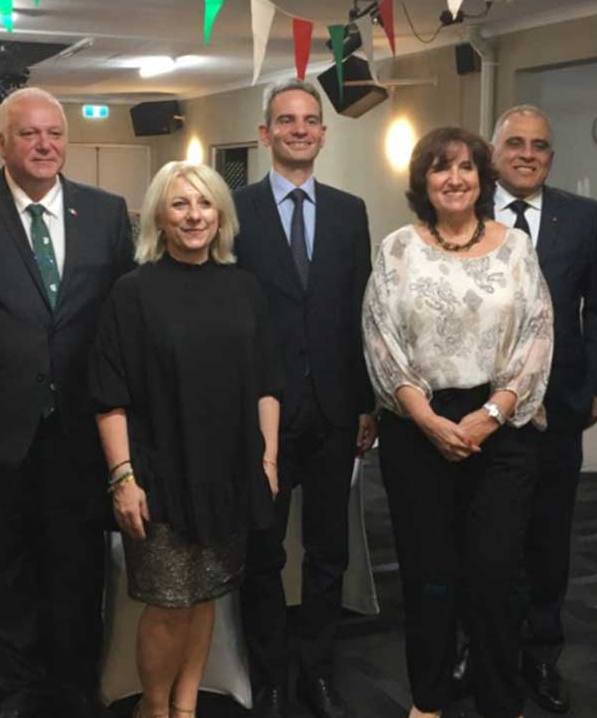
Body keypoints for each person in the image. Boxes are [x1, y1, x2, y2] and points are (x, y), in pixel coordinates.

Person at [0, 87, 134, 718]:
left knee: (79, 567)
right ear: (3, 142)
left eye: (54, 133)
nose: (44, 145)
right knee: (4, 566)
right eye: (29, 134)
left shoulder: (106, 213)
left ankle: (75, 686)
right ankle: (16, 689)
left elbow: (122, 326)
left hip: (81, 431)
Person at [363, 126, 553, 718]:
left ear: (482, 179)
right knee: (430, 574)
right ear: (423, 181)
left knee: (495, 573)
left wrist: (492, 413)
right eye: (441, 168)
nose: (454, 178)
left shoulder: (516, 248)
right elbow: (380, 339)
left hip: (501, 426)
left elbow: (538, 334)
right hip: (416, 428)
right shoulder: (397, 249)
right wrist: (426, 418)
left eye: (466, 167)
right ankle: (429, 698)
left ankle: (500, 700)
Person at [90, 161, 282, 718]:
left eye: (204, 203)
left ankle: (186, 706)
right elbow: (109, 396)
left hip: (230, 474)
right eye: (180, 204)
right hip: (160, 477)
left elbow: (267, 384)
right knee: (169, 604)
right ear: (159, 217)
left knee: (206, 596)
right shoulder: (132, 293)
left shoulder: (245, 288)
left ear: (220, 214)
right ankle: (153, 709)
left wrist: (268, 460)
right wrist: (123, 478)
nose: (194, 215)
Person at [234, 78, 376, 718]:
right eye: (286, 120)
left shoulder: (350, 211)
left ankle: (317, 672)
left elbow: (360, 310)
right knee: (262, 552)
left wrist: (367, 402)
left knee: (328, 552)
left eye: (310, 120)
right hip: (261, 415)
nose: (299, 129)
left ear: (323, 132)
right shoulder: (235, 210)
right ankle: (267, 675)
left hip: (336, 410)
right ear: (265, 133)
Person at [491, 105, 597, 713]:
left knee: (547, 539)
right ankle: (481, 646)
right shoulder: (461, 209)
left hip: (559, 405)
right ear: (494, 153)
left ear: (551, 157)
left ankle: (540, 655)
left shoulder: (584, 217)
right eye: (515, 143)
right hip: (479, 407)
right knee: (483, 537)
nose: (527, 154)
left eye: (539, 145)